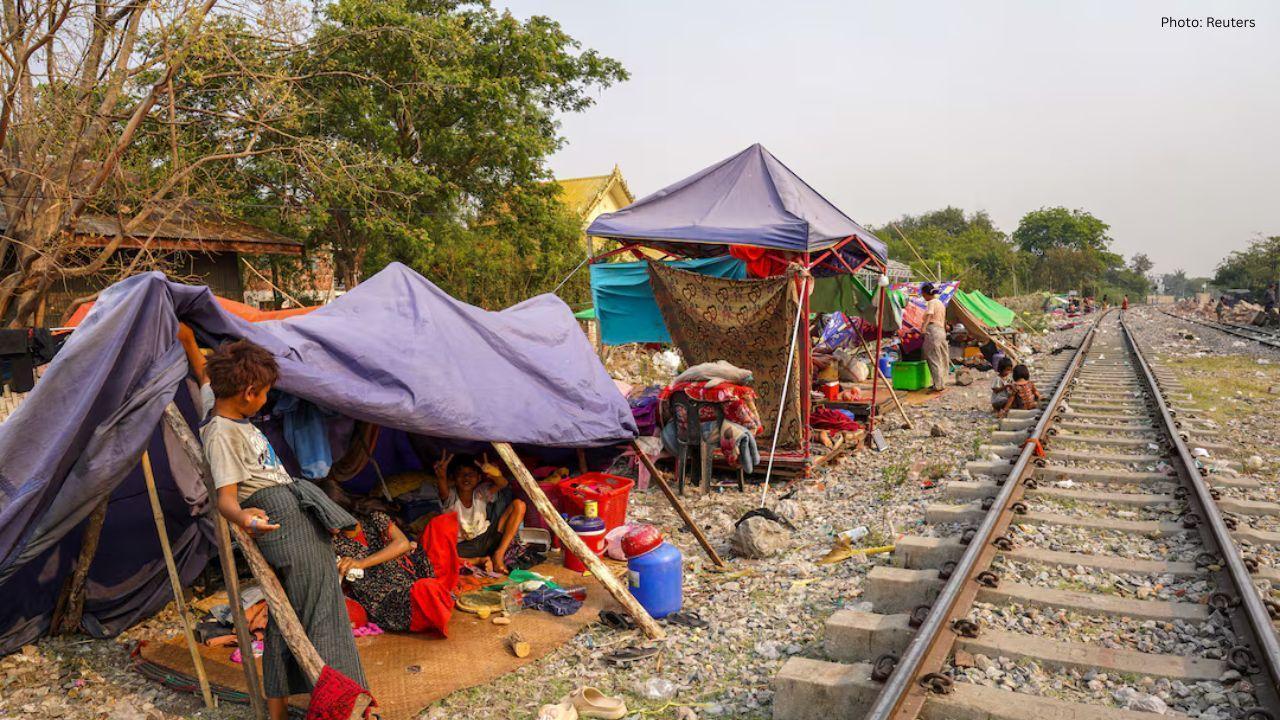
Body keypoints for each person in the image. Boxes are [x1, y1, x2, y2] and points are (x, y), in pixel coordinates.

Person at [197, 338, 366, 719]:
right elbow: (225, 500)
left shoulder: (222, 408)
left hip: (290, 512)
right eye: (265, 393)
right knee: (324, 614)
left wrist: (189, 340)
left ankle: (278, 712)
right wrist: (246, 518)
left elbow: (204, 377)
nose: (266, 401)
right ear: (248, 391)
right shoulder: (222, 434)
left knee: (285, 617)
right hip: (283, 521)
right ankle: (342, 705)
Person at [325, 481, 461, 635]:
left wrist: (361, 563)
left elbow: (402, 543)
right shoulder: (329, 542)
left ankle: (438, 596)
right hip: (388, 598)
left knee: (441, 525)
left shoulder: (372, 517)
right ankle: (437, 598)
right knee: (426, 589)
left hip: (413, 573)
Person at [433, 451, 526, 573]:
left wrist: (494, 474)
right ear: (454, 478)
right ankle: (478, 561)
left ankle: (498, 555)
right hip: (462, 547)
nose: (466, 477)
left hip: (485, 539)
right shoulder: (450, 497)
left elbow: (503, 483)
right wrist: (441, 475)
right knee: (436, 557)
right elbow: (442, 489)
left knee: (519, 505)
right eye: (461, 474)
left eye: (471, 474)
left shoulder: (481, 492)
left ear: (479, 478)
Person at [920, 283, 949, 393]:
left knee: (933, 358)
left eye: (923, 294)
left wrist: (923, 327)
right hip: (941, 331)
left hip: (933, 330)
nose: (923, 297)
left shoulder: (931, 302)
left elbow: (929, 314)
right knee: (942, 357)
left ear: (926, 293)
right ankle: (942, 382)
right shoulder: (941, 303)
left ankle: (938, 385)